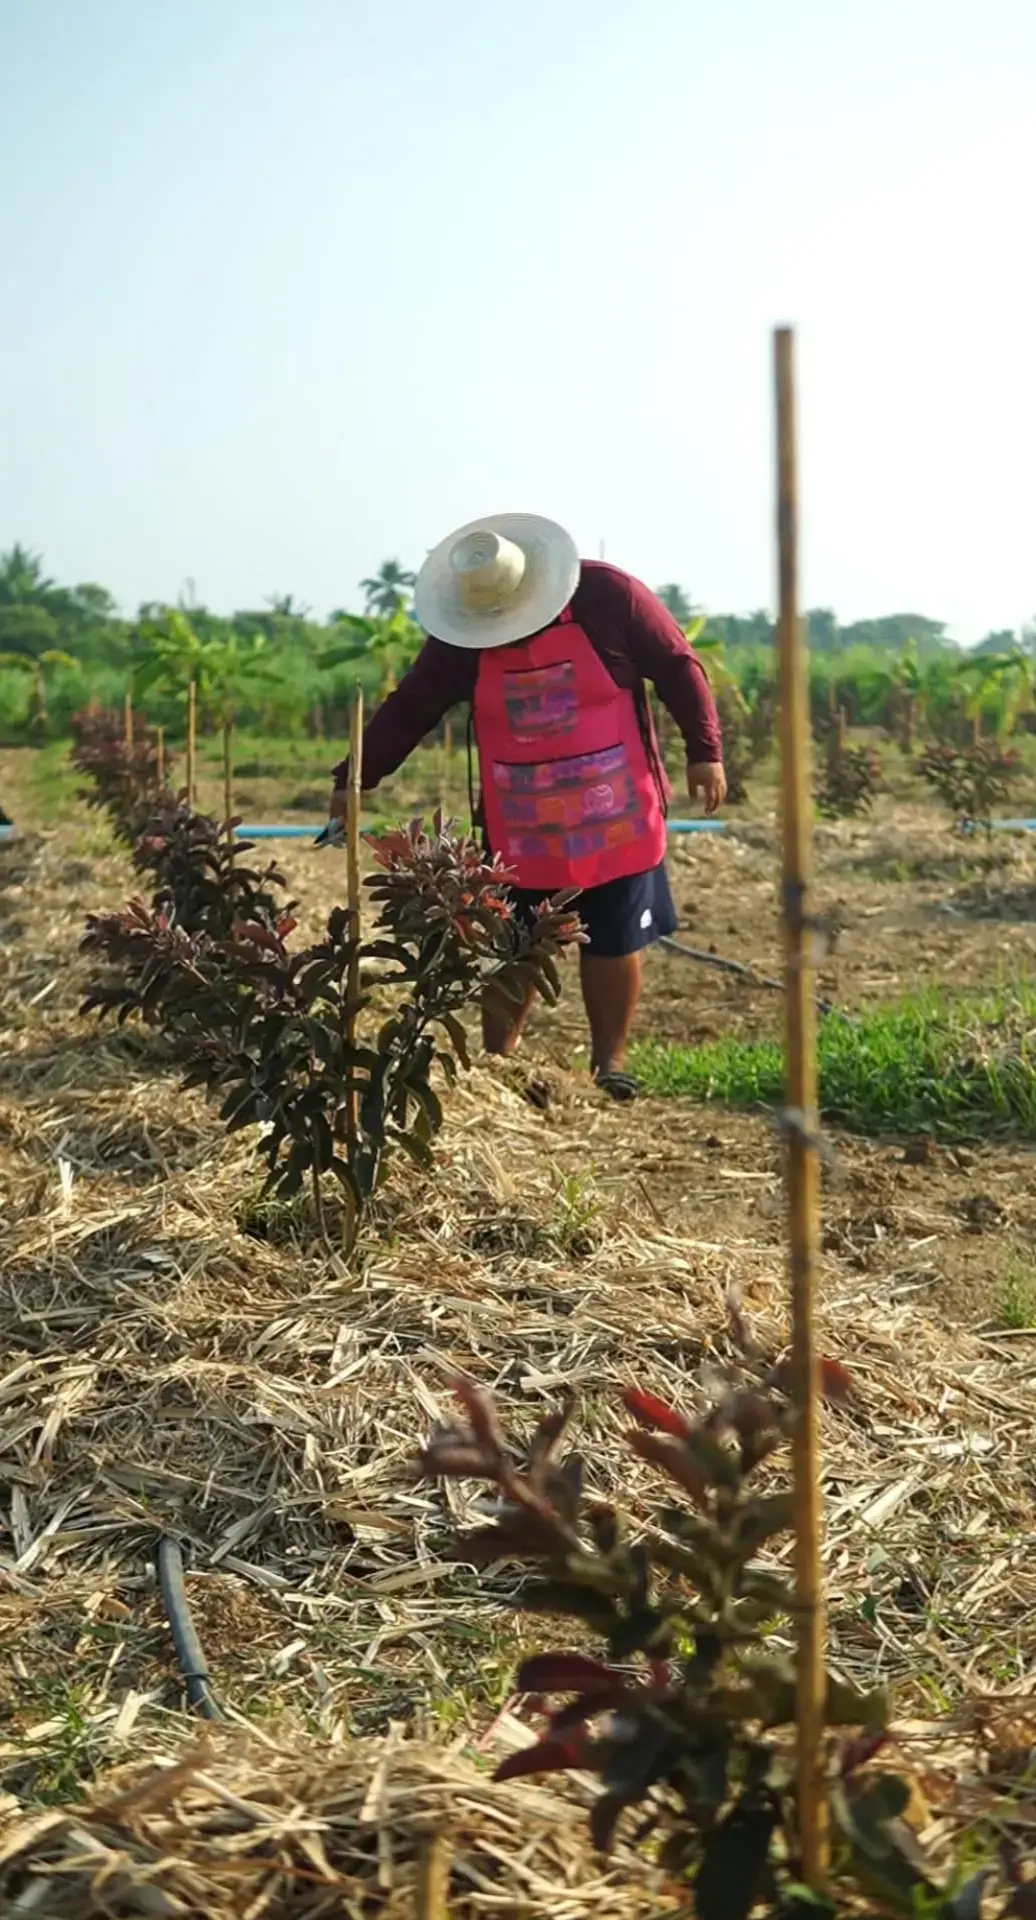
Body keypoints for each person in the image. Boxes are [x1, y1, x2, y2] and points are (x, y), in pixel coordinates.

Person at [329, 513, 725, 1098]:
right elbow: (412, 705)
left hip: (615, 813)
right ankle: (500, 1062)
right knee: (511, 943)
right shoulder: (462, 635)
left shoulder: (609, 597)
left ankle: (607, 1065)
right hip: (521, 823)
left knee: (614, 938)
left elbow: (677, 664)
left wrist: (704, 750)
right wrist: (356, 776)